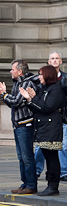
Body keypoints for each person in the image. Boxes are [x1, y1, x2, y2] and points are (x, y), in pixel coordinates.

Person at [0, 60, 39, 194]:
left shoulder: (27, 83)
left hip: (26, 124)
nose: (10, 72)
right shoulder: (18, 83)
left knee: (27, 157)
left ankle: (31, 185)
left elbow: (16, 101)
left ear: (20, 71)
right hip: (18, 125)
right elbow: (12, 103)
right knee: (21, 157)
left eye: (12, 69)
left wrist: (3, 94)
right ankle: (25, 184)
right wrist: (4, 94)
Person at [20, 65, 65, 196]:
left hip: (51, 129)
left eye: (41, 74)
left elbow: (47, 107)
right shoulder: (45, 89)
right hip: (44, 128)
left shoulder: (56, 90)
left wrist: (32, 98)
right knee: (47, 156)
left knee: (52, 158)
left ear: (48, 75)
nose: (39, 77)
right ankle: (50, 185)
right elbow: (38, 108)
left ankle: (53, 186)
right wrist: (30, 99)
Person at [33, 51, 67, 181]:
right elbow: (41, 103)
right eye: (52, 58)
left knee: (62, 147)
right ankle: (37, 170)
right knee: (41, 148)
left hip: (60, 117)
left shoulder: (63, 80)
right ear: (48, 61)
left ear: (61, 61)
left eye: (57, 58)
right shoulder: (43, 85)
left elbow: (48, 105)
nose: (54, 61)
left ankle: (62, 173)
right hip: (44, 121)